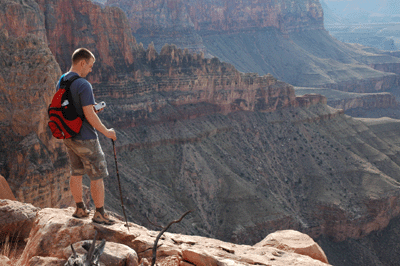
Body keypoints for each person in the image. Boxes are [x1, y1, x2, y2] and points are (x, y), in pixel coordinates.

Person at [58, 48, 116, 225]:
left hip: (68, 136)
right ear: (82, 63)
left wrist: (92, 108)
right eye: (90, 66)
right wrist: (107, 132)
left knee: (76, 172)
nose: (90, 70)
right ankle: (99, 214)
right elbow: (89, 115)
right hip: (85, 137)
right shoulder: (84, 85)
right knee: (97, 174)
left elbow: (72, 107)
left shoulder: (61, 80)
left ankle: (80, 209)